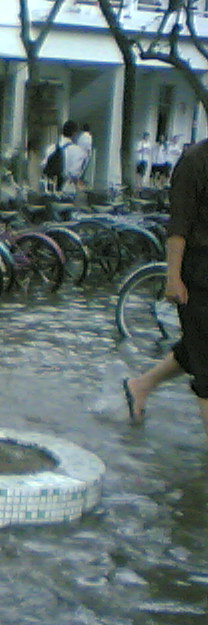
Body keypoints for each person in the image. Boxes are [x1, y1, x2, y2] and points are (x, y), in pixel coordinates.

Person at [124, 138, 208, 438]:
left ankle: (141, 385)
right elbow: (179, 225)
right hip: (199, 272)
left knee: (197, 347)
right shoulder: (196, 160)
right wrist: (173, 277)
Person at [76, 122, 93, 188]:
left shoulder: (80, 136)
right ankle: (81, 185)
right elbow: (88, 148)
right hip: (85, 156)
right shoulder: (88, 137)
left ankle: (78, 183)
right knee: (83, 172)